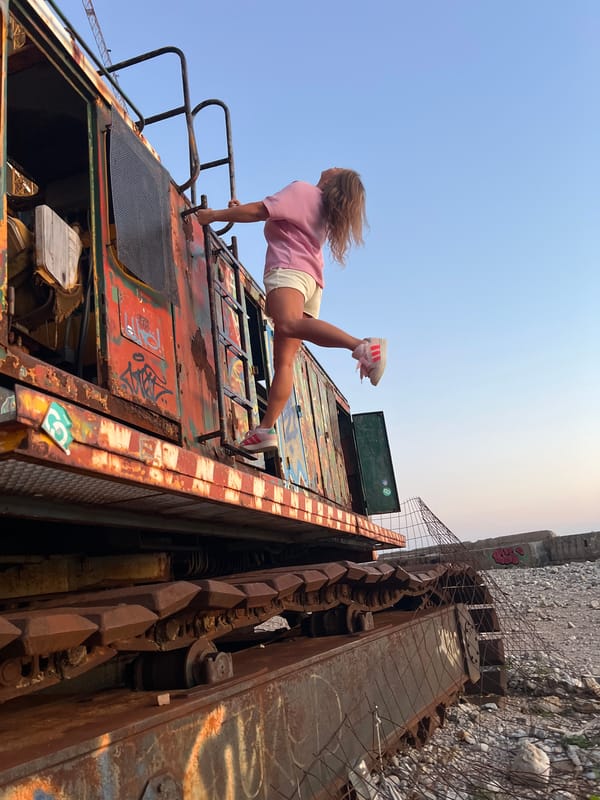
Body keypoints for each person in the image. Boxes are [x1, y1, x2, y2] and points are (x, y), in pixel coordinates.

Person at [194, 167, 387, 453]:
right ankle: (265, 429)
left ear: (332, 180)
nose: (332, 165)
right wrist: (239, 208)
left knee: (285, 325)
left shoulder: (304, 190)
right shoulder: (322, 208)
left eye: (338, 168)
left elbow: (261, 211)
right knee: (283, 362)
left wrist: (213, 216)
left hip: (289, 271)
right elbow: (269, 215)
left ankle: (362, 347)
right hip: (311, 282)